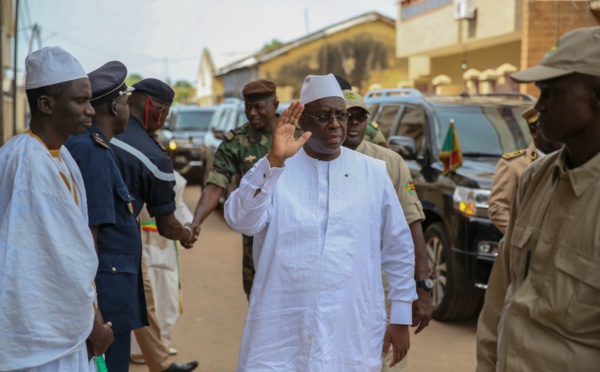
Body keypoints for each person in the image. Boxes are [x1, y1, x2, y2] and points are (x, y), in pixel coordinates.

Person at [225, 74, 417, 371]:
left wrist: (401, 316)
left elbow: (398, 247)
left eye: (341, 115)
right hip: (282, 324)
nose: (336, 124)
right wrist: (273, 163)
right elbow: (241, 220)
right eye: (324, 116)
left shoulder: (373, 172)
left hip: (351, 322)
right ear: (303, 122)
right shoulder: (277, 168)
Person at [476, 26, 600, 371]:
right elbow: (501, 297)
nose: (538, 106)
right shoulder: (535, 177)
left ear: (596, 96)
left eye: (552, 92)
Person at [0, 46, 112, 371]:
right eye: (80, 101)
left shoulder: (61, 157)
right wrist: (96, 329)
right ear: (47, 104)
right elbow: (56, 263)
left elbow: (75, 260)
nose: (91, 111)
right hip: (41, 339)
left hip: (66, 332)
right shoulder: (28, 162)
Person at [65, 60, 148, 371]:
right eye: (126, 101)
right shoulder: (92, 152)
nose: (129, 108)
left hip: (111, 290)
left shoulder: (97, 148)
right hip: (105, 297)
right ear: (116, 108)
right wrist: (95, 313)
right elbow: (88, 235)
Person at [111, 78, 198, 372]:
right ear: (155, 110)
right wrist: (186, 233)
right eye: (165, 114)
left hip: (107, 234)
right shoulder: (153, 156)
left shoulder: (99, 132)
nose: (163, 122)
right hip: (119, 241)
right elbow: (168, 226)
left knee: (144, 299)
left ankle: (160, 364)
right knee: (118, 311)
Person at [342, 89, 432, 372]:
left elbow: (412, 224)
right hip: (339, 285)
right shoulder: (315, 163)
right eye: (347, 116)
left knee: (388, 363)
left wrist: (422, 286)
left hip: (385, 285)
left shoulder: (389, 163)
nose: (353, 123)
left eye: (360, 117)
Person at [191, 79, 301, 299]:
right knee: (258, 294)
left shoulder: (298, 134)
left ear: (275, 104)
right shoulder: (236, 142)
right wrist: (196, 222)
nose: (252, 113)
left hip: (296, 228)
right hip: (257, 232)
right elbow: (215, 185)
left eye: (258, 107)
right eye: (248, 107)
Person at [131, 170, 192, 357]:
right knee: (145, 298)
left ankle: (163, 343)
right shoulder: (136, 171)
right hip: (141, 243)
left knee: (167, 296)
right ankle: (138, 349)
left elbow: (179, 205)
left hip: (165, 246)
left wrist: (188, 227)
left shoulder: (172, 177)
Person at [488, 106, 562, 234]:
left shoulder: (573, 161)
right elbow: (498, 209)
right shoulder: (513, 164)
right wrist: (521, 238)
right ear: (534, 131)